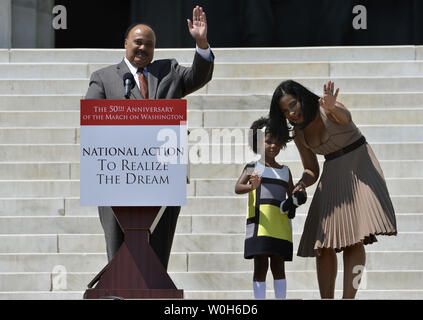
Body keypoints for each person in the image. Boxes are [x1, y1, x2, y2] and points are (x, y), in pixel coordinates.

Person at [84, 6, 214, 270]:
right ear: (125, 44)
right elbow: (93, 121)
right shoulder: (104, 78)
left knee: (157, 256)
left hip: (163, 175)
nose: (143, 48)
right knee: (120, 254)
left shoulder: (170, 71)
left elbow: (200, 75)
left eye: (149, 45)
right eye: (138, 42)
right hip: (117, 175)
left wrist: (201, 43)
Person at [269, 79, 397, 299]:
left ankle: (349, 297)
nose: (291, 113)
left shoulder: (326, 108)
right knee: (324, 244)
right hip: (332, 172)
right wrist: (300, 185)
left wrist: (332, 106)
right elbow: (311, 169)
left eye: (292, 104)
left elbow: (346, 118)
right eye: (285, 111)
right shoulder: (299, 133)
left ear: (301, 98)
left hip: (360, 166)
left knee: (354, 239)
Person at [235, 117, 306, 299]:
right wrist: (251, 186)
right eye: (268, 142)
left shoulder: (285, 171)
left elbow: (291, 196)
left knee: (278, 266)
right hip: (260, 224)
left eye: (277, 142)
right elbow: (237, 188)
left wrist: (297, 196)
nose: (273, 146)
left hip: (280, 226)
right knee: (260, 265)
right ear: (258, 143)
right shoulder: (254, 167)